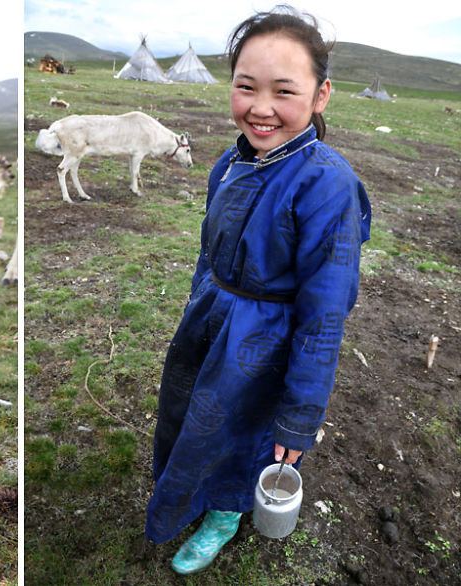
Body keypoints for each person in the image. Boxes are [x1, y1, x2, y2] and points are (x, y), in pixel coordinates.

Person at [146, 6, 371, 574]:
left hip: (268, 340)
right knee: (193, 414)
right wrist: (204, 304)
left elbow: (325, 314)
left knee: (247, 431)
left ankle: (224, 513)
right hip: (212, 319)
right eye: (246, 87)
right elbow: (209, 247)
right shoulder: (227, 160)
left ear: (321, 95)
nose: (260, 107)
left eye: (283, 91)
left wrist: (299, 418)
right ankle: (191, 486)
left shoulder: (328, 185)